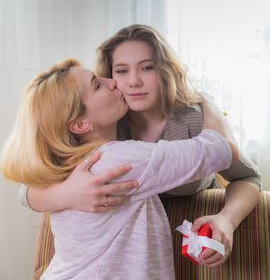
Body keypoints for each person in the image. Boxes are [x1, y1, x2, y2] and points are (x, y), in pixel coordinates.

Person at [21, 24, 261, 267]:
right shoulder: (109, 126)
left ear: (165, 71)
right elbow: (30, 189)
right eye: (121, 71)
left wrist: (226, 220)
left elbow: (248, 177)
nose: (133, 82)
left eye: (147, 68)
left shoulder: (195, 120)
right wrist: (68, 194)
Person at [0, 59, 235, 279]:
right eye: (97, 85)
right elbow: (218, 150)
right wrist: (208, 103)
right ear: (80, 124)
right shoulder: (117, 160)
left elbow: (27, 194)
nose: (113, 82)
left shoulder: (70, 165)